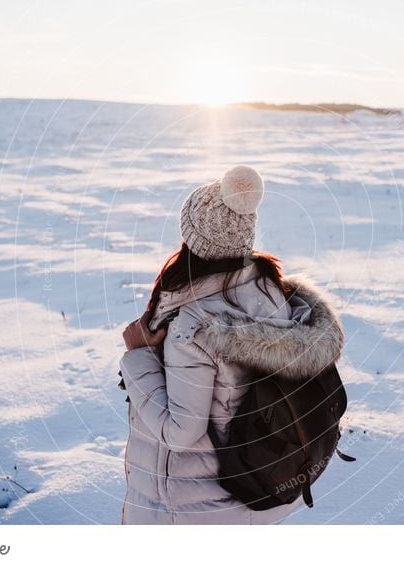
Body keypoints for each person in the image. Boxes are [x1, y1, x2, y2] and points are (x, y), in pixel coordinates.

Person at [118, 165, 345, 524]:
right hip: (256, 498)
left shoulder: (193, 328)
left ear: (191, 237)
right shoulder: (272, 294)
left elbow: (181, 432)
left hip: (193, 512)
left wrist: (139, 357)